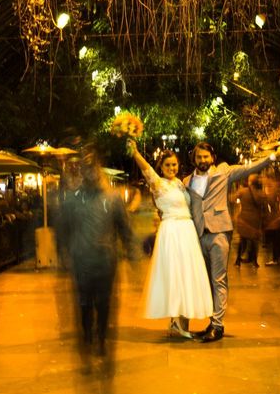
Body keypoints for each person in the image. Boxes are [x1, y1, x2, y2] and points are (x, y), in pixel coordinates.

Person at [183, 141, 280, 342]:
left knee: (218, 279)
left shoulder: (224, 172)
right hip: (199, 235)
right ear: (194, 159)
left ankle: (218, 326)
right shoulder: (187, 181)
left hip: (219, 232)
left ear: (212, 158)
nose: (202, 160)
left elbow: (250, 168)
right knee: (207, 281)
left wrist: (275, 155)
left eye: (206, 156)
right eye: (199, 157)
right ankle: (212, 321)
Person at [58, 146, 136, 372]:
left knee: (103, 305)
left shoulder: (113, 199)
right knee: (84, 306)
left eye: (94, 167)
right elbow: (63, 229)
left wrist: (132, 253)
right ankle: (88, 339)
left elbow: (125, 229)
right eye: (86, 168)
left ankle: (101, 339)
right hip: (81, 261)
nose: (91, 172)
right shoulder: (72, 200)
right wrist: (64, 255)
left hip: (105, 262)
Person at [128, 140, 212, 338]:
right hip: (172, 232)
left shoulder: (179, 183)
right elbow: (146, 168)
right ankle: (176, 319)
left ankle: (182, 321)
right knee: (175, 275)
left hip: (187, 231)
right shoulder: (158, 183)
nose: (172, 168)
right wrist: (135, 153)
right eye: (167, 165)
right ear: (161, 167)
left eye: (174, 164)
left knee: (187, 276)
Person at [233, 175, 264, 268]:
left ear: (250, 182)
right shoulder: (260, 193)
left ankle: (238, 260)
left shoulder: (243, 191)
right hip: (255, 219)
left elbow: (233, 198)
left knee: (242, 239)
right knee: (255, 241)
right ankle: (255, 261)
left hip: (244, 219)